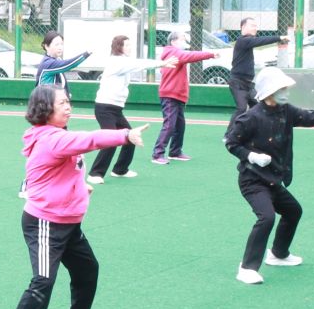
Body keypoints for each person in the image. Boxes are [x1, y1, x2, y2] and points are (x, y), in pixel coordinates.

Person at [2, 84, 146, 309]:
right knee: (43, 281)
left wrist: (81, 188)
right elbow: (90, 140)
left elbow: (67, 171)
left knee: (87, 269)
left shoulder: (58, 135)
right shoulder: (51, 139)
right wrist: (125, 135)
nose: (68, 107)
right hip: (44, 223)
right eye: (61, 103)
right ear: (45, 109)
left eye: (68, 101)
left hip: (68, 222)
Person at [224, 68, 314, 284]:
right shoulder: (250, 117)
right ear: (269, 91)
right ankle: (246, 268)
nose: (286, 92)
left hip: (273, 179)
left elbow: (308, 116)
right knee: (266, 217)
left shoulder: (285, 111)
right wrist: (251, 156)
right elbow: (231, 143)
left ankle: (278, 254)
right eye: (282, 88)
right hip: (252, 180)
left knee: (293, 211)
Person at [86, 35, 167, 184]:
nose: (130, 48)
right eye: (127, 45)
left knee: (130, 137)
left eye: (130, 45)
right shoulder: (117, 62)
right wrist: (162, 63)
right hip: (105, 108)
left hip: (115, 109)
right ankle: (95, 174)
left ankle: (120, 170)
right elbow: (140, 64)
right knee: (110, 140)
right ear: (119, 47)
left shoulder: (123, 61)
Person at [152, 30, 223, 164]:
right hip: (170, 95)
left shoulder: (173, 54)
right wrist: (211, 54)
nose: (185, 42)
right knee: (169, 125)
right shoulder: (174, 53)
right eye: (182, 39)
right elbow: (190, 55)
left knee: (179, 125)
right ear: (173, 41)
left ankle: (175, 152)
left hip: (176, 95)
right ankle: (157, 154)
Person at [226, 18, 284, 114]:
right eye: (252, 26)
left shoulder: (248, 42)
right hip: (238, 83)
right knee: (242, 108)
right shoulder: (242, 41)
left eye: (256, 26)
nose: (255, 28)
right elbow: (260, 41)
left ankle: (254, 124)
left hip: (248, 84)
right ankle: (234, 125)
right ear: (243, 27)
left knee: (258, 107)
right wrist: (279, 38)